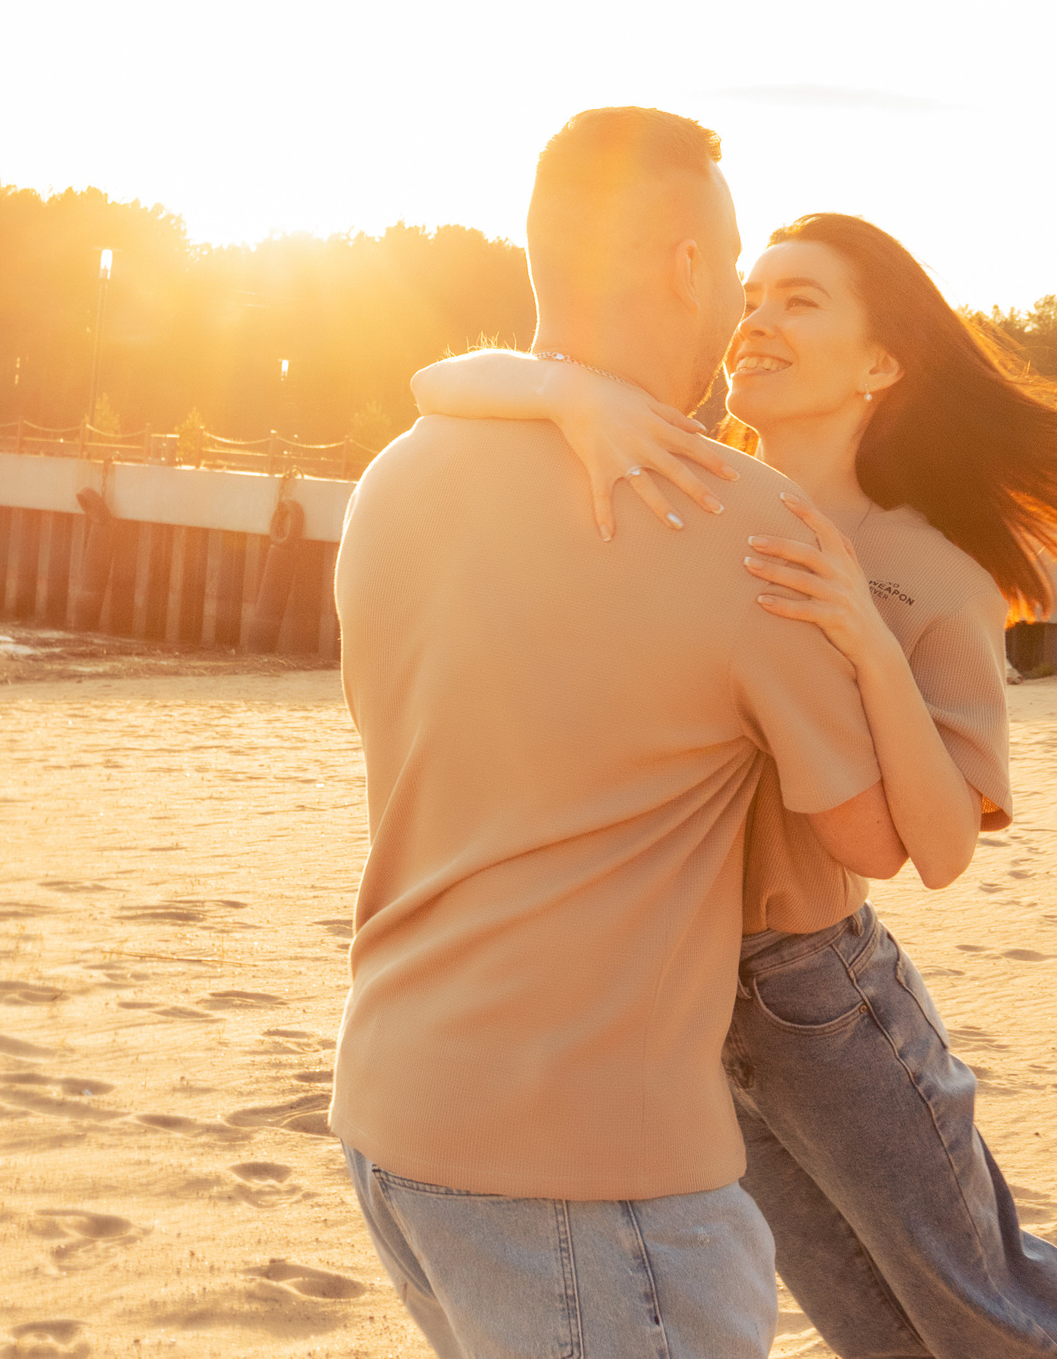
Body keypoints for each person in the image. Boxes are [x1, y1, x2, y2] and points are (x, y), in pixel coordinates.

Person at [411, 212, 1057, 1358]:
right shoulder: (686, 476)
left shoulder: (931, 569)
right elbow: (438, 384)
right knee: (872, 1326)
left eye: (800, 300)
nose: (757, 321)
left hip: (815, 994)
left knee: (981, 1306)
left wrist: (866, 638)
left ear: (880, 364)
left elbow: (942, 847)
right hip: (675, 994)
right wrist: (564, 391)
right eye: (753, 296)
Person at [331, 111, 926, 1359]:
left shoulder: (395, 477)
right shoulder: (743, 523)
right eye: (735, 266)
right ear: (689, 268)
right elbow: (870, 840)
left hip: (393, 1121)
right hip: (593, 1171)